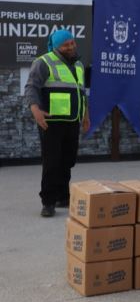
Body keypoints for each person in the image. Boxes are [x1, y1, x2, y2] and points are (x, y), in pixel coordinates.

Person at [24, 29, 90, 218]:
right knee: (52, 162)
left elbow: (81, 92)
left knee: (67, 160)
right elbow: (31, 87)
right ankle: (48, 202)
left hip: (72, 120)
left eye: (72, 42)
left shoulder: (78, 64)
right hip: (51, 122)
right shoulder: (43, 62)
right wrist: (36, 111)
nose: (71, 46)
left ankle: (63, 196)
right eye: (66, 44)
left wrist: (86, 115)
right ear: (56, 46)